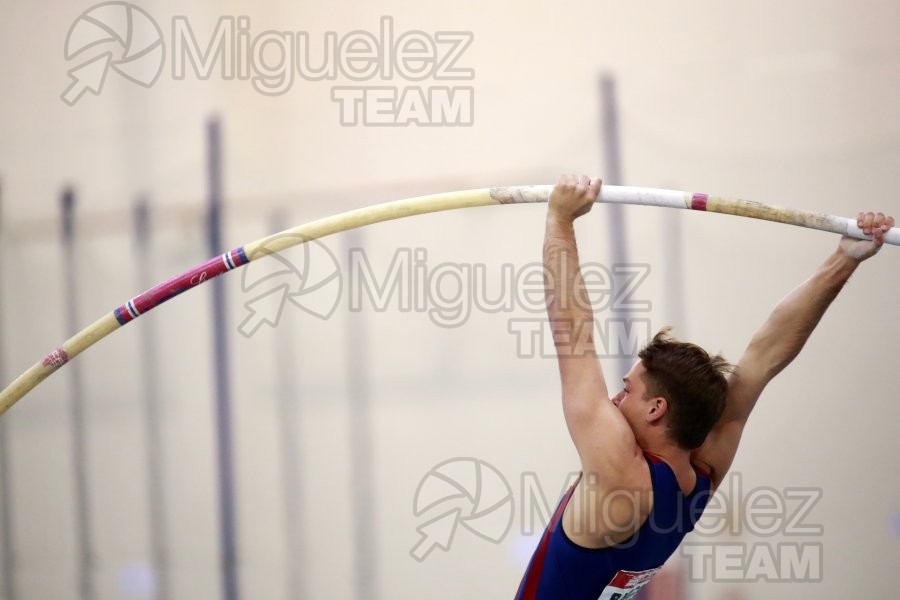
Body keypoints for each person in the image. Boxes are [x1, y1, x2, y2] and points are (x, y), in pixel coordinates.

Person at [515, 174, 894, 599]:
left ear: (656, 408)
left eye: (627, 390)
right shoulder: (701, 476)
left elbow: (574, 335)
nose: (613, 399)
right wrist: (845, 259)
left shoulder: (620, 479)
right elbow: (763, 358)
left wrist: (560, 218)